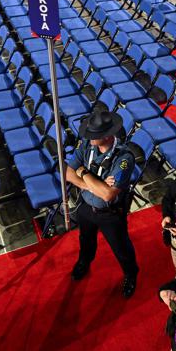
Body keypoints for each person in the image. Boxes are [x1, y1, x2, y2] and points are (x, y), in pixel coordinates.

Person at [65, 110, 139, 298]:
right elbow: (66, 171)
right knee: (85, 240)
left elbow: (107, 195)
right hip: (86, 207)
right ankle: (84, 262)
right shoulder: (87, 147)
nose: (88, 138)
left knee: (121, 248)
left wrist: (83, 172)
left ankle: (131, 274)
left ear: (106, 137)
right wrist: (88, 184)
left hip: (110, 214)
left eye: (93, 135)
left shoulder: (123, 158)